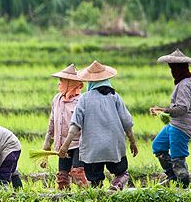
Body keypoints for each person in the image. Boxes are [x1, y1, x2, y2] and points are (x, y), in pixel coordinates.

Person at [58, 61, 138, 190]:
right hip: (114, 147)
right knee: (121, 173)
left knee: (94, 181)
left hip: (92, 149)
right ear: (106, 79)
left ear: (90, 81)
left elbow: (75, 126)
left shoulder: (84, 99)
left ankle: (97, 195)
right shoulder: (115, 97)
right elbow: (127, 123)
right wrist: (133, 142)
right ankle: (116, 185)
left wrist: (65, 145)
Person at [150, 49, 191, 188]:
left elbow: (182, 109)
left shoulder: (185, 85)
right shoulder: (188, 80)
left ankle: (183, 186)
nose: (171, 71)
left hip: (182, 125)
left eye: (172, 68)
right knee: (158, 145)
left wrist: (163, 110)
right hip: (174, 123)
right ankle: (172, 178)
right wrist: (164, 111)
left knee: (178, 157)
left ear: (178, 69)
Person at [41, 64, 88, 190]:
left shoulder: (82, 101)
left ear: (70, 83)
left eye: (61, 81)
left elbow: (83, 126)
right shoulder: (57, 99)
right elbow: (52, 122)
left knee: (78, 174)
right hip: (62, 145)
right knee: (62, 178)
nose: (59, 84)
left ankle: (89, 196)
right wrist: (47, 143)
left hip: (79, 144)